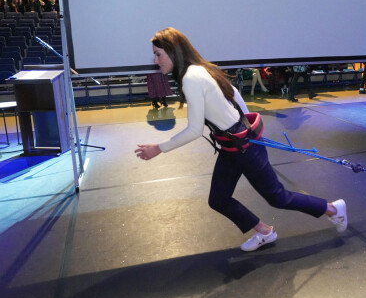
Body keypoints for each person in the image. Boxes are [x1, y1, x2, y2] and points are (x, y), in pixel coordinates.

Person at [135, 28, 347, 251]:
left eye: (158, 54)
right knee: (218, 199)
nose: (156, 60)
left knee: (278, 198)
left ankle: (333, 209)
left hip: (243, 148)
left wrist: (159, 148)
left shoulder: (191, 78)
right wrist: (243, 127)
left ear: (172, 51)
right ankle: (265, 232)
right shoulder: (201, 69)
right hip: (232, 145)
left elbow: (195, 130)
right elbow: (234, 93)